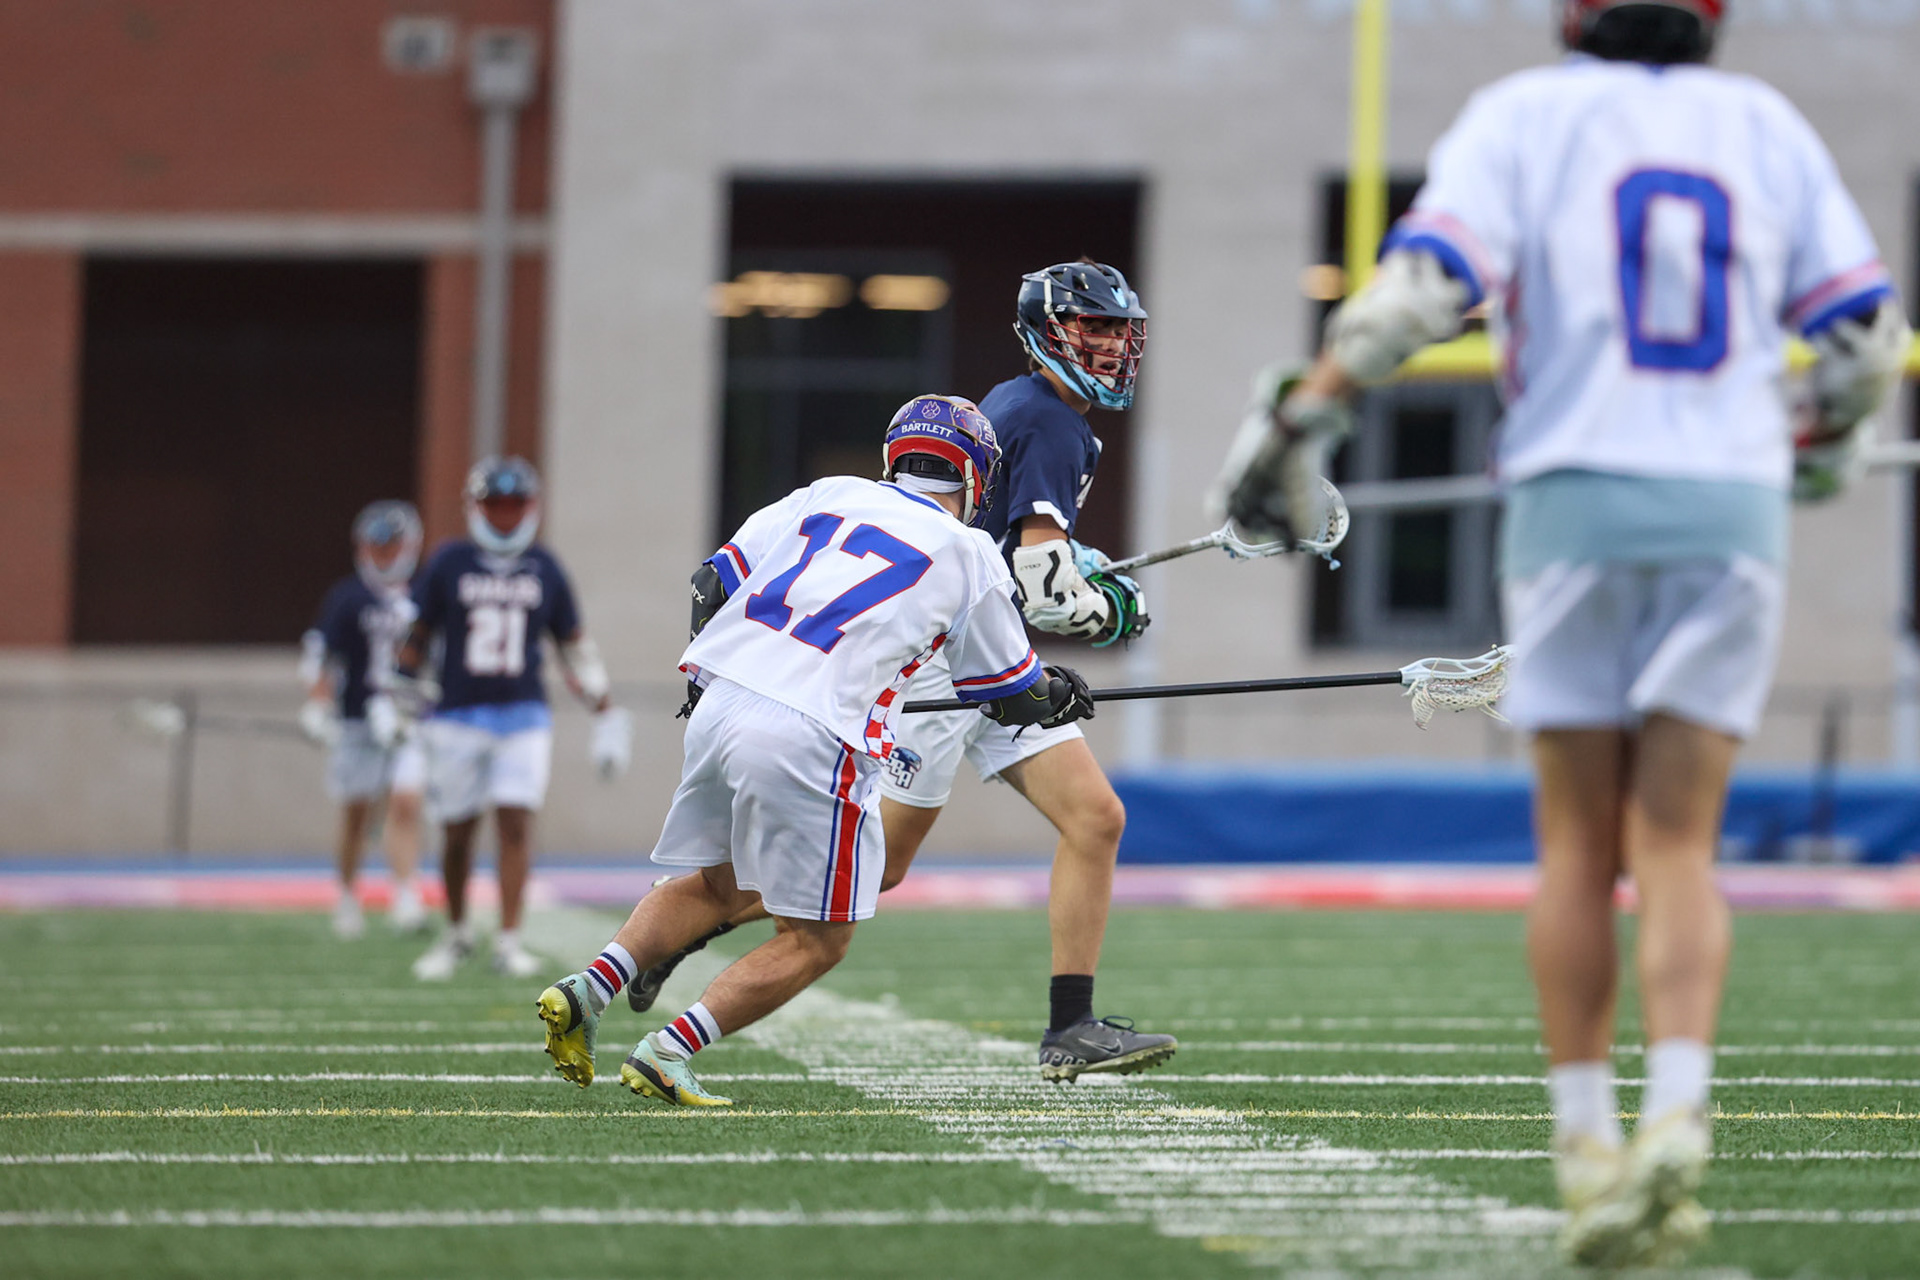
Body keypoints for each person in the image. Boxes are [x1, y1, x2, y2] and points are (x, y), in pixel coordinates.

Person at [1213, 0, 1908, 1265]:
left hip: (1573, 499)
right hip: (1731, 509)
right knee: (1682, 844)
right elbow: (1862, 342)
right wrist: (1819, 442)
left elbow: (1414, 298)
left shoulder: (1523, 116)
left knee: (1581, 845)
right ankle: (1679, 1117)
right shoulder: (1766, 124)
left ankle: (1588, 1149)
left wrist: (1305, 411)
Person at [624, 262, 1175, 1084]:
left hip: (988, 661)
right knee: (872, 869)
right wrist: (1115, 610)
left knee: (1095, 817)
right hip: (947, 668)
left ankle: (1072, 1025)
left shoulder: (1026, 408)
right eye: (1088, 328)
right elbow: (1045, 592)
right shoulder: (1052, 421)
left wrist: (1072, 569)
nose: (1105, 346)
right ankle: (674, 931)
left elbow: (1007, 549)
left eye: (1113, 331)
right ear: (1045, 331)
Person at [536, 395, 1098, 1107]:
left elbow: (711, 581)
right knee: (819, 940)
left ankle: (586, 991)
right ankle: (668, 1052)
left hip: (724, 699)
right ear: (976, 479)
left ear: (895, 457)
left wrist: (710, 678)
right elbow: (1012, 695)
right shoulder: (970, 551)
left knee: (720, 886)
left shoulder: (829, 494)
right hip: (812, 730)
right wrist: (1062, 690)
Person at [390, 457, 634, 980]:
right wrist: (399, 695)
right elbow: (416, 637)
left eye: (513, 505)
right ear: (476, 508)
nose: (504, 516)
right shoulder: (448, 562)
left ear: (530, 508)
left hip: (523, 715)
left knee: (516, 822)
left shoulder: (545, 567)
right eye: (495, 505)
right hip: (456, 712)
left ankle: (508, 941)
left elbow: (574, 646)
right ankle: (456, 934)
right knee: (457, 832)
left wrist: (605, 712)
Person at [299, 500, 430, 938]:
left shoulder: (424, 593)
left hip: (408, 719)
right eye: (377, 546)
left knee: (405, 802)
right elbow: (324, 658)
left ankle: (406, 893)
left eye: (391, 545)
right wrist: (319, 705)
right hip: (358, 718)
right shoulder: (347, 597)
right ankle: (347, 894)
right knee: (357, 813)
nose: (384, 553)